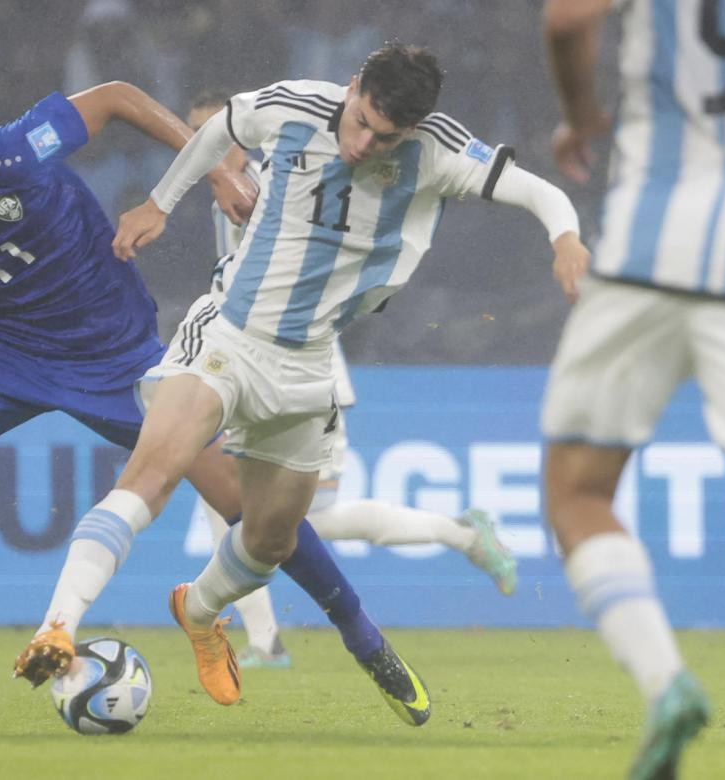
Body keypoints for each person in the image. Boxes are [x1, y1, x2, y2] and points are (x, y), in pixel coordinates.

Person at [0, 81, 412, 716]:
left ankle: (362, 635)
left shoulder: (10, 153)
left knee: (253, 510)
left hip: (117, 355)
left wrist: (215, 170)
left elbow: (115, 97)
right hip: (5, 355)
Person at [20, 44, 585, 722]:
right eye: (361, 121)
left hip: (310, 366)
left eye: (385, 136)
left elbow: (539, 191)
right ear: (352, 88)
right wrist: (159, 203)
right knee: (153, 474)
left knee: (269, 541)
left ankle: (198, 613)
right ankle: (57, 625)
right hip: (227, 336)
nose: (364, 143)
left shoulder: (436, 152)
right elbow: (221, 127)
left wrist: (566, 240)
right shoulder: (294, 107)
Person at [184, 91, 517, 669]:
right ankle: (265, 640)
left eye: (211, 132)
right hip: (248, 363)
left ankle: (460, 533)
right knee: (235, 505)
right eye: (193, 135)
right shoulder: (225, 194)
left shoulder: (284, 178)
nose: (203, 147)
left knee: (302, 520)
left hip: (300, 372)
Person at [541, 0, 725, 775]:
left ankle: (667, 684)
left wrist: (581, 115)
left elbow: (568, 20)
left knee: (576, 491)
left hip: (647, 244)